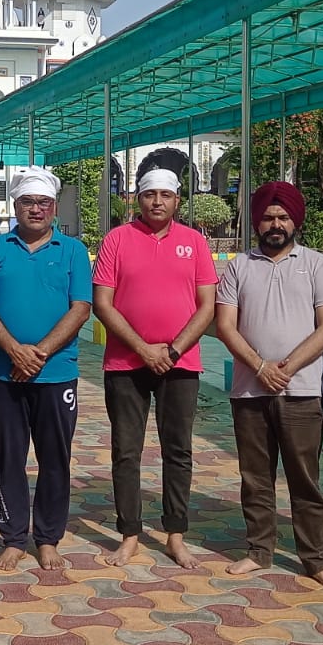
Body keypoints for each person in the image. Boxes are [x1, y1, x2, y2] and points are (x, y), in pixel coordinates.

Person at [214, 181, 323, 587]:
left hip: (302, 390)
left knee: (305, 478)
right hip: (250, 391)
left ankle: (315, 557)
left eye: (283, 217)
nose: (276, 223)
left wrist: (285, 367)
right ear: (257, 221)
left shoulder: (317, 264)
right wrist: (259, 366)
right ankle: (260, 549)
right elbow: (224, 325)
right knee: (255, 476)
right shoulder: (239, 265)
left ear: (295, 221)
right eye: (269, 217)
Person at [92, 169, 217, 568]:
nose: (157, 202)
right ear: (137, 199)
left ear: (178, 200)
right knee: (126, 451)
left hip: (180, 364)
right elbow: (103, 304)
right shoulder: (117, 240)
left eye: (165, 195)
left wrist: (174, 349)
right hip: (125, 363)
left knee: (177, 450)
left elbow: (207, 306)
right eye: (149, 195)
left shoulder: (195, 243)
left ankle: (175, 533)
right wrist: (144, 349)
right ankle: (129, 532)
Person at [0, 167, 93, 571]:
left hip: (56, 373)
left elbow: (81, 308)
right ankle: (12, 536)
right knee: (8, 456)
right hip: (6, 374)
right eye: (28, 202)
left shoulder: (72, 250)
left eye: (43, 203)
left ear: (54, 207)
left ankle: (47, 537)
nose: (35, 210)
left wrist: (38, 353)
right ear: (15, 206)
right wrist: (13, 352)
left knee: (54, 457)